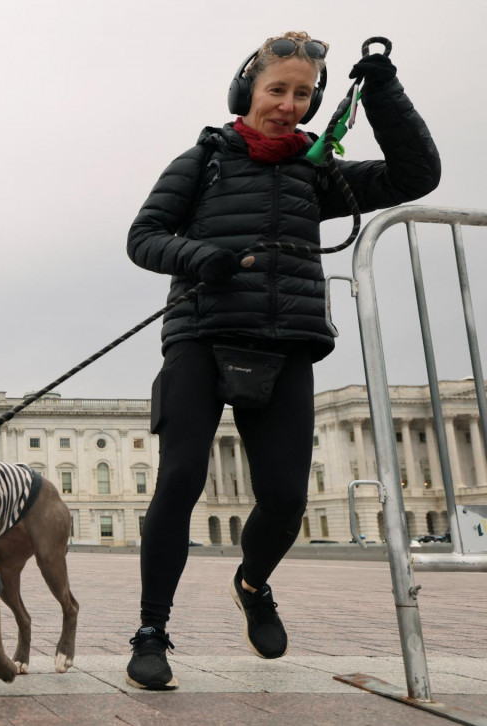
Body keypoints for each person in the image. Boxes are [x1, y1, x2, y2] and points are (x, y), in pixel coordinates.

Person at [125, 31, 440, 691]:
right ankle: (152, 630)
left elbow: (415, 176)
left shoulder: (316, 172)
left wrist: (383, 94)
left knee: (287, 500)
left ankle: (253, 582)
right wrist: (199, 256)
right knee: (180, 479)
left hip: (286, 341)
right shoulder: (203, 161)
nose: (289, 105)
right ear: (247, 91)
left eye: (303, 94)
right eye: (277, 90)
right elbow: (144, 236)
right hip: (202, 336)